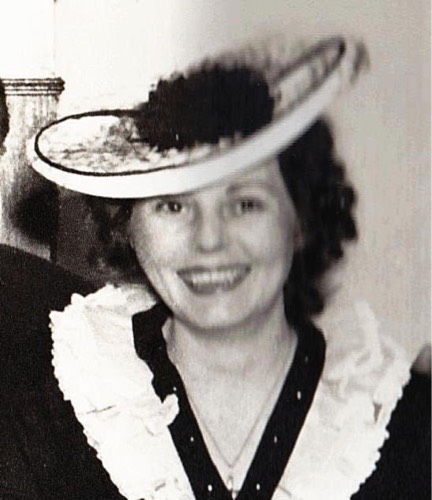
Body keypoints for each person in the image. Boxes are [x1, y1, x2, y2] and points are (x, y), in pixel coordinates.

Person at [1, 38, 430, 499]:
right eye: (172, 205)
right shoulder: (60, 397)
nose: (209, 240)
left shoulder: (381, 410)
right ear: (126, 226)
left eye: (245, 203)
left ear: (302, 220)